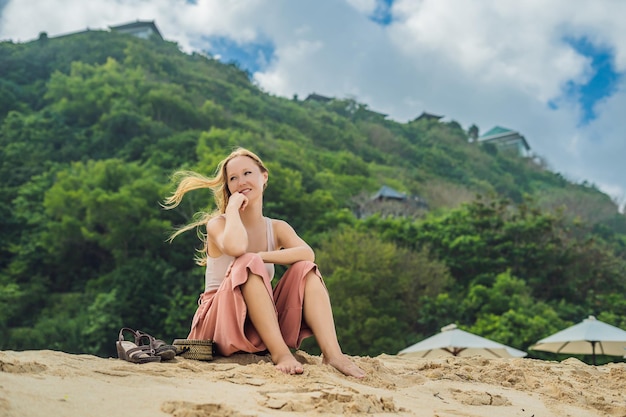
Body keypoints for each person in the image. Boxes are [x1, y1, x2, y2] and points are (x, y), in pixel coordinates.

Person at [163, 147, 365, 377]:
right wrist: (232, 210)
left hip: (259, 323)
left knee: (306, 270)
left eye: (248, 173)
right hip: (217, 323)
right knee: (246, 261)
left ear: (264, 176)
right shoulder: (218, 224)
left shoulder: (277, 227)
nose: (241, 182)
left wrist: (261, 256)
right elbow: (238, 249)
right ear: (228, 187)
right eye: (233, 178)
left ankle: (333, 354)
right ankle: (281, 354)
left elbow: (307, 254)